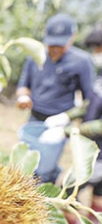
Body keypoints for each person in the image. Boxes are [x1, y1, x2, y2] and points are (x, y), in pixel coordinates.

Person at [15, 13, 96, 184]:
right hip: (35, 117)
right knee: (27, 163)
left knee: (46, 166)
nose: (56, 48)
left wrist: (71, 122)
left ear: (72, 38)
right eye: (52, 43)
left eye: (61, 43)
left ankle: (46, 186)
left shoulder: (81, 61)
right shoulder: (35, 55)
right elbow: (23, 84)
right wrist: (23, 97)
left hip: (60, 121)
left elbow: (91, 99)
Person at [41, 22, 102, 215]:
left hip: (99, 152)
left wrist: (68, 131)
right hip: (89, 146)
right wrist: (67, 115)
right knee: (93, 188)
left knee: (71, 192)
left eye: (99, 48)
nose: (96, 53)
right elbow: (92, 100)